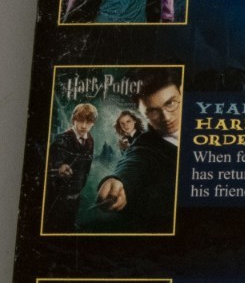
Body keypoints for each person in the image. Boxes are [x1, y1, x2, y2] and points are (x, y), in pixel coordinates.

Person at [93, 70, 181, 232]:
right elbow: (135, 160)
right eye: (152, 111)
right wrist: (119, 181)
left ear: (181, 92)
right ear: (141, 113)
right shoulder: (145, 144)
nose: (167, 117)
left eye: (170, 103)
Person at [44, 102, 97, 230]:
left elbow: (86, 167)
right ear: (74, 120)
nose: (84, 126)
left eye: (88, 122)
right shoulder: (62, 139)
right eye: (80, 120)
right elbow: (50, 167)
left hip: (76, 194)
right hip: (58, 196)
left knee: (69, 225)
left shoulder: (90, 140)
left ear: (93, 123)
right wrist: (60, 169)